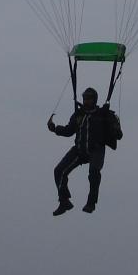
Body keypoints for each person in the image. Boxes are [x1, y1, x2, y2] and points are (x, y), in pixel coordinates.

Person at [47, 87, 123, 215]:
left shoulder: (103, 114)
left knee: (94, 172)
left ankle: (91, 202)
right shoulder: (79, 114)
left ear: (94, 100)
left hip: (96, 150)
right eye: (85, 99)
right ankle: (64, 201)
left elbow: (118, 135)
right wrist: (55, 129)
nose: (86, 101)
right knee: (59, 170)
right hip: (79, 150)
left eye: (89, 99)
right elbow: (68, 131)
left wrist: (115, 128)